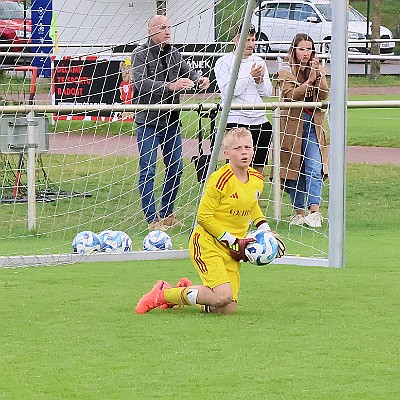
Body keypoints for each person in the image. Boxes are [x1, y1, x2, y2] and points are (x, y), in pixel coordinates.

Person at [135, 128, 285, 315]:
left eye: (248, 147)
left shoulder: (256, 178)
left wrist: (265, 229)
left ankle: (190, 291)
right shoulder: (219, 180)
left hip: (232, 249)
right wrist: (233, 240)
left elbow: (252, 203)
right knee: (222, 296)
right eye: (237, 148)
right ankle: (164, 294)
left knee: (227, 308)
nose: (244, 152)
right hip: (207, 243)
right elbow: (203, 217)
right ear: (226, 153)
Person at [131, 14, 210, 231]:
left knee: (176, 167)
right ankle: (152, 220)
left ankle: (167, 214)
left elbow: (189, 72)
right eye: (163, 27)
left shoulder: (174, 53)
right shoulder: (139, 54)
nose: (167, 31)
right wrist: (170, 86)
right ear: (150, 30)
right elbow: (140, 83)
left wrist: (199, 79)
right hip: (147, 120)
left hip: (171, 120)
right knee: (147, 170)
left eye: (169, 27)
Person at [277, 33, 329, 228]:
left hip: (313, 124)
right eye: (302, 49)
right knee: (294, 168)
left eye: (309, 49)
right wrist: (308, 82)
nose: (305, 53)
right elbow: (291, 95)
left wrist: (318, 76)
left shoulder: (318, 68)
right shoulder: (285, 70)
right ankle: (298, 211)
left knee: (315, 166)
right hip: (292, 125)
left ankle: (314, 211)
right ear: (294, 50)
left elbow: (323, 94)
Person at [214, 22, 274, 175]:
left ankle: (256, 200)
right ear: (235, 40)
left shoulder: (259, 61)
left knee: (258, 172)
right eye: (246, 40)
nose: (250, 44)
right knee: (236, 171)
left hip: (260, 121)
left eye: (253, 40)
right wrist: (250, 77)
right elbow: (228, 92)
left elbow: (267, 93)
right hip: (236, 120)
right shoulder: (223, 62)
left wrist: (259, 81)